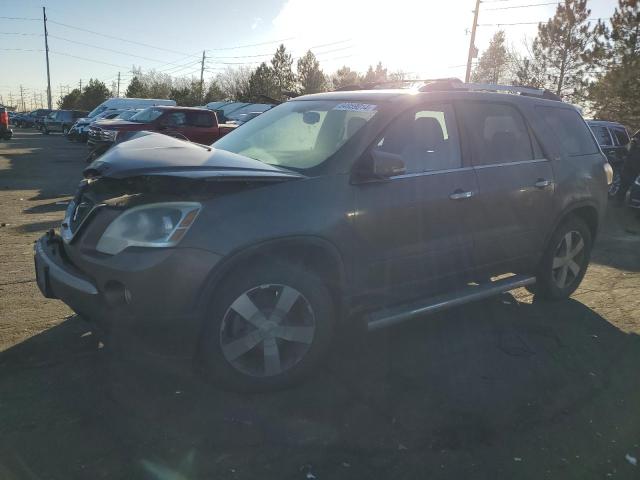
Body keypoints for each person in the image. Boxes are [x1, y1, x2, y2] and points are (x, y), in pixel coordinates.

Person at [616, 130, 640, 205]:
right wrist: (630, 145)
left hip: (636, 171)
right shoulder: (632, 146)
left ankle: (633, 204)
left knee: (634, 190)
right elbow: (624, 151)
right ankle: (619, 202)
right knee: (623, 186)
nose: (635, 139)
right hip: (628, 168)